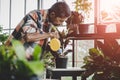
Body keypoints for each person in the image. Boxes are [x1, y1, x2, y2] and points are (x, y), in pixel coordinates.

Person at [5, 1, 71, 60]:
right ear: (52, 14)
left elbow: (38, 43)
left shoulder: (49, 23)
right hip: (11, 59)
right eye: (60, 20)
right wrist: (49, 34)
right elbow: (27, 37)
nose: (61, 23)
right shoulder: (35, 15)